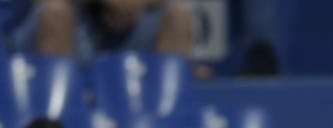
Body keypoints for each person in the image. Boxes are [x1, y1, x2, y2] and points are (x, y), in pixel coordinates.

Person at [4, 0, 193, 59]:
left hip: (133, 27)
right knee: (55, 12)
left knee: (178, 13)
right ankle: (57, 110)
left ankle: (169, 108)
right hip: (75, 27)